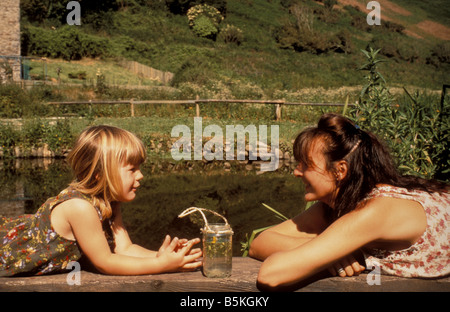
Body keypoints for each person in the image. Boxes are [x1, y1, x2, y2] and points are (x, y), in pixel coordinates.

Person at [249, 113, 449, 290]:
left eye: (306, 165)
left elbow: (270, 275)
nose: (296, 172)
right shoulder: (339, 202)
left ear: (340, 170)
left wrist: (326, 253)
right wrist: (331, 251)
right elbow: (259, 243)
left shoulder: (374, 210)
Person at [0, 125, 202, 276]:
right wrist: (161, 266)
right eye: (132, 169)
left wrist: (163, 256)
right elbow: (105, 262)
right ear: (100, 175)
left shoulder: (109, 201)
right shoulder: (80, 207)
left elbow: (124, 249)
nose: (140, 176)